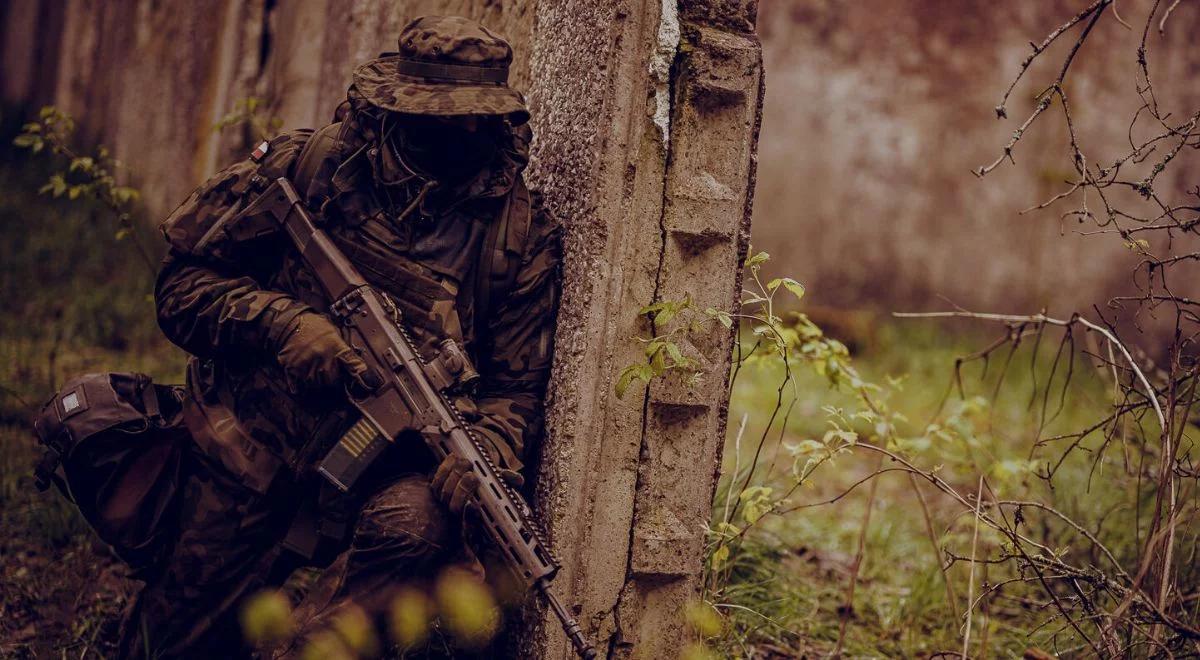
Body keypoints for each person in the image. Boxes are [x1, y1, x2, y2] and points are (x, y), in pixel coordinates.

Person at [119, 15, 561, 658]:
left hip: (384, 477)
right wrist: (283, 324)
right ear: (397, 107)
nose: (464, 133)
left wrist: (489, 448)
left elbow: (518, 390)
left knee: (416, 523)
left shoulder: (518, 238)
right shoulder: (313, 168)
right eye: (445, 115)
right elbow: (180, 288)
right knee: (169, 645)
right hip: (255, 448)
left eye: (476, 117)